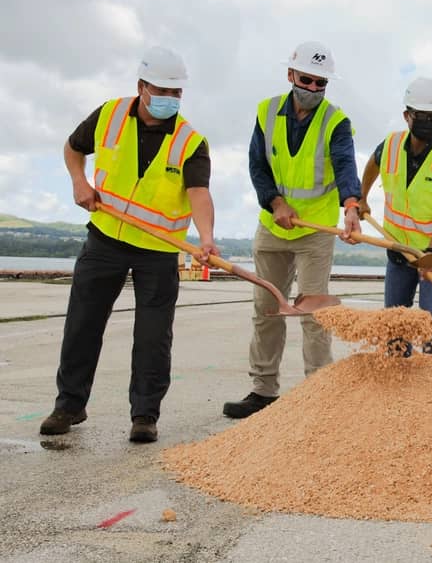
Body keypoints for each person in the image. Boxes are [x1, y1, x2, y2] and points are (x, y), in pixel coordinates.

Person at [40, 47, 218, 443]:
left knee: (153, 336)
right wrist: (79, 182)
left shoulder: (191, 141)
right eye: (162, 89)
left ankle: (145, 416)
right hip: (105, 238)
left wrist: (206, 239)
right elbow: (73, 148)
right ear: (141, 86)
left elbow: (199, 194)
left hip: (158, 250)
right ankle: (69, 405)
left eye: (177, 92)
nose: (170, 98)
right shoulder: (109, 114)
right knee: (82, 325)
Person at [223, 41, 361, 419]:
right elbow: (257, 166)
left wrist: (351, 206)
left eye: (321, 83)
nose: (313, 89)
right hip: (273, 227)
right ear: (290, 75)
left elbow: (346, 165)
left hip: (315, 230)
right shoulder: (266, 113)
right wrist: (275, 202)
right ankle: (263, 391)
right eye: (307, 80)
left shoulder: (336, 122)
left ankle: (320, 393)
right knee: (266, 309)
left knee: (315, 311)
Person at [357, 77, 432, 356]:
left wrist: (429, 255)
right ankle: (398, 375)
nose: (429, 122)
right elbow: (373, 164)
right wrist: (362, 197)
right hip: (397, 247)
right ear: (407, 116)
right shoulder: (391, 145)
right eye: (422, 116)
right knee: (394, 319)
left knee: (430, 320)